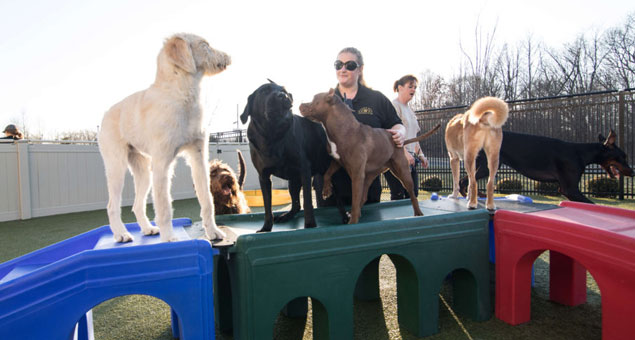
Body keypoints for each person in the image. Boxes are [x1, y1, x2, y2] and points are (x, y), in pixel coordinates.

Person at [315, 47, 407, 206]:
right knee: (330, 230)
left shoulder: (376, 99)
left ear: (360, 69)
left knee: (366, 228)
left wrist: (400, 132)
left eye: (349, 65)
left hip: (367, 187)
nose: (343, 69)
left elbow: (397, 124)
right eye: (338, 65)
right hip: (331, 189)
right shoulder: (325, 101)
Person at [384, 75, 429, 200]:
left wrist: (420, 155)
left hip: (410, 159)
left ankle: (411, 220)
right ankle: (398, 220)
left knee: (413, 194)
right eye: (410, 86)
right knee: (399, 195)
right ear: (400, 88)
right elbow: (391, 135)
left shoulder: (410, 111)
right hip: (394, 158)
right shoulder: (393, 107)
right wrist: (404, 154)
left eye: (415, 87)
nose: (413, 90)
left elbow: (413, 138)